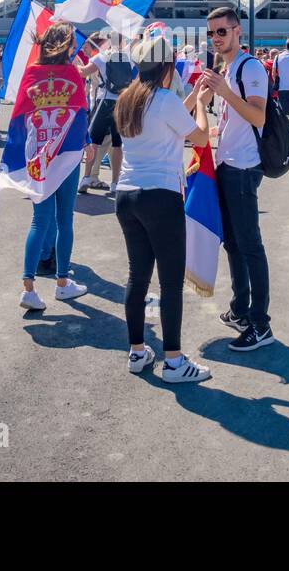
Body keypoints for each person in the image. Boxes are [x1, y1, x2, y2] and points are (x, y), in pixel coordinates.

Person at [114, 35, 213, 382]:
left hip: (127, 195)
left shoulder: (128, 99)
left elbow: (164, 117)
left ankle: (137, 352)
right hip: (161, 195)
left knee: (137, 276)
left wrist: (189, 100)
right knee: (170, 282)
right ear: (168, 67)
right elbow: (199, 136)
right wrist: (201, 103)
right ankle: (174, 361)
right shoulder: (166, 100)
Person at [201, 6, 274, 352]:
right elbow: (235, 119)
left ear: (237, 32)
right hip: (227, 163)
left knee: (250, 246)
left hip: (244, 168)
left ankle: (260, 324)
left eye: (222, 32)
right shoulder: (226, 69)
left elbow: (258, 117)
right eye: (211, 33)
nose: (216, 38)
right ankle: (240, 309)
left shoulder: (250, 67)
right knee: (231, 242)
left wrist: (224, 92)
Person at [16, 24, 90, 310]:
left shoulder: (31, 73)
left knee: (39, 221)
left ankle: (28, 288)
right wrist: (87, 142)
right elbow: (81, 114)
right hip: (66, 155)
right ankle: (62, 283)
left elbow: (20, 117)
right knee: (64, 220)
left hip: (38, 157)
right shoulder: (72, 73)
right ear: (66, 45)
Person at [79, 34, 133, 189]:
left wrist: (75, 63)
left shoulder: (102, 57)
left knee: (94, 141)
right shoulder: (127, 58)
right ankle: (115, 181)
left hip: (104, 101)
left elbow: (83, 72)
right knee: (117, 144)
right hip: (121, 103)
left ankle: (87, 177)